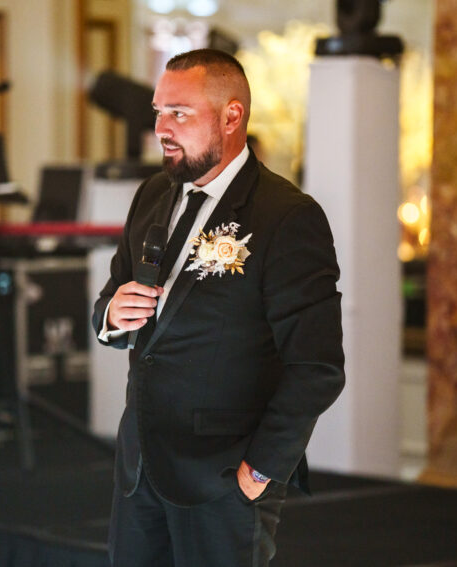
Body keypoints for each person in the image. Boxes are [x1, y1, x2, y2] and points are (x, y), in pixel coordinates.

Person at [92, 49, 345, 566]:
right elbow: (110, 300)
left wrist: (259, 472)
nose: (161, 127)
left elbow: (317, 366)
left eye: (179, 113)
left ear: (232, 116)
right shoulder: (152, 195)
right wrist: (112, 316)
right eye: (159, 111)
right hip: (138, 470)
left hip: (225, 478)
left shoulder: (286, 216)